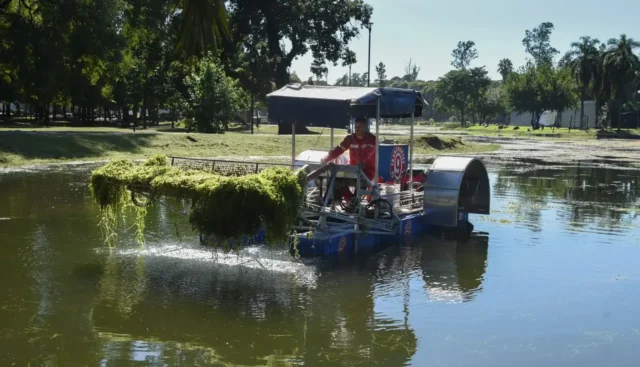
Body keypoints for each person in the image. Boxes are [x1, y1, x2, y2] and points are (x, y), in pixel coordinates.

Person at [321, 117, 377, 206]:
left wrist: (362, 162)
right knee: (337, 180)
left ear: (366, 127)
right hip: (352, 169)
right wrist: (326, 158)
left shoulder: (372, 139)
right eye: (356, 127)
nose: (358, 129)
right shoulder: (350, 139)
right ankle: (339, 200)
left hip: (367, 172)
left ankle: (355, 203)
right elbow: (339, 150)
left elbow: (368, 153)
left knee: (360, 183)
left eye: (360, 127)